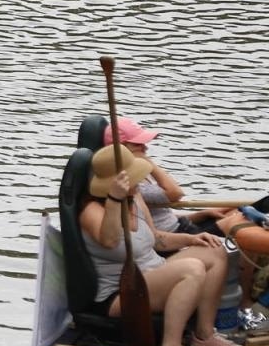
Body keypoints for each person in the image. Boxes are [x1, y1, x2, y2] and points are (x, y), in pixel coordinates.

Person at [77, 143, 241, 346]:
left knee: (215, 250)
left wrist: (191, 239)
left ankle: (204, 335)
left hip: (154, 271)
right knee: (191, 268)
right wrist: (115, 200)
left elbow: (156, 240)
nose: (140, 182)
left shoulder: (135, 199)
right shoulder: (90, 210)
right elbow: (110, 239)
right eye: (134, 178)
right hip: (121, 292)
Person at [104, 115, 269, 330]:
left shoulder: (139, 184)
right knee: (238, 225)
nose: (145, 146)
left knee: (235, 213)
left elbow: (163, 218)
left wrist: (201, 214)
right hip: (169, 241)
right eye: (138, 144)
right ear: (123, 148)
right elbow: (175, 193)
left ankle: (234, 309)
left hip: (178, 227)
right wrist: (148, 164)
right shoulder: (129, 184)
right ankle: (244, 304)